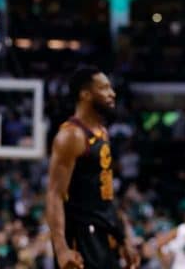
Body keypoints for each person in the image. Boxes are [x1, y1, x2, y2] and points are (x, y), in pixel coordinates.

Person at [46, 66, 140, 269]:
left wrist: (122, 238)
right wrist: (61, 249)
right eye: (104, 88)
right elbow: (54, 194)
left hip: (102, 231)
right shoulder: (71, 136)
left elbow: (105, 195)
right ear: (85, 94)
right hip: (80, 235)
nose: (112, 93)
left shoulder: (102, 132)